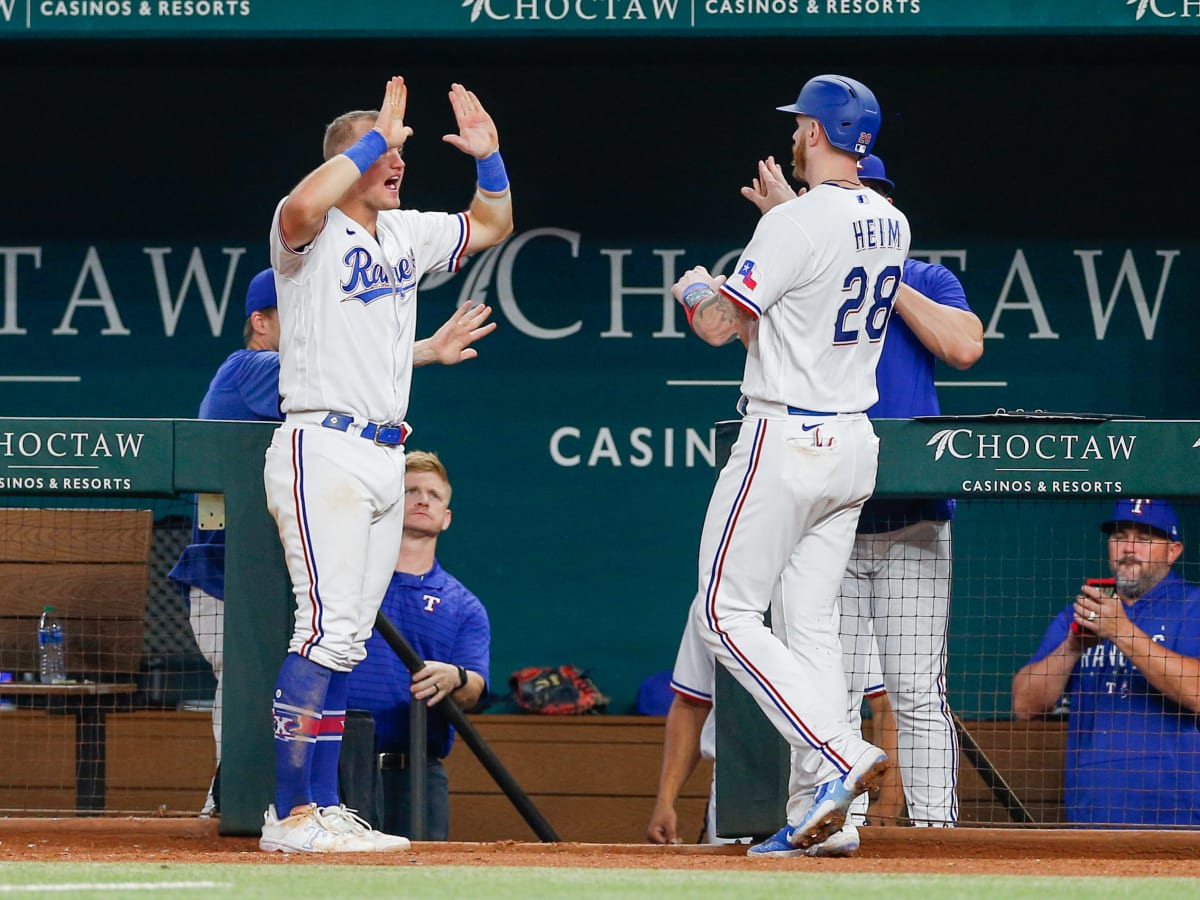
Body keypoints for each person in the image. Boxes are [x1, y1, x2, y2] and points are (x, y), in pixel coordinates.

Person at [259, 76, 512, 854]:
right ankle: (290, 814)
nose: (398, 160)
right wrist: (376, 137)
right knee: (324, 630)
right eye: (383, 154)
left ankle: (324, 806)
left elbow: (493, 223)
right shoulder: (308, 232)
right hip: (321, 445)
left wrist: (491, 158)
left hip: (382, 451)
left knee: (346, 641)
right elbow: (300, 208)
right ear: (347, 161)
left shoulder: (404, 234)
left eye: (400, 151)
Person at [670, 73, 909, 856]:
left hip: (787, 441)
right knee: (809, 628)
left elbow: (715, 327)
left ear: (815, 132)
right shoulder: (892, 221)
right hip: (853, 444)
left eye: (801, 125)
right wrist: (782, 223)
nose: (794, 135)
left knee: (724, 615)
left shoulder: (796, 223)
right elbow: (804, 295)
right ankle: (825, 821)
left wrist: (695, 287)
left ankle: (841, 753)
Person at [169, 266, 284, 816]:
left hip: (269, 575)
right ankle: (231, 800)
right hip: (224, 575)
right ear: (260, 322)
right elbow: (335, 374)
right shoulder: (250, 367)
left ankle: (233, 801)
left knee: (266, 692)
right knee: (245, 689)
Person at [1012, 499, 1200, 827]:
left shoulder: (1192, 606)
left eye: (1144, 539)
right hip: (1094, 812)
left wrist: (1121, 631)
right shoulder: (1082, 613)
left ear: (1173, 551)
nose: (1128, 548)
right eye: (1119, 536)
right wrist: (1071, 647)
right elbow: (1025, 704)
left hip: (1179, 813)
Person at [344, 451, 490, 840]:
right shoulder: (343, 580)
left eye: (434, 495)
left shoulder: (464, 606)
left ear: (447, 517)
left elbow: (474, 688)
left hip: (417, 775)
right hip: (337, 769)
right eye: (410, 491)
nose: (423, 499)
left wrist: (454, 677)